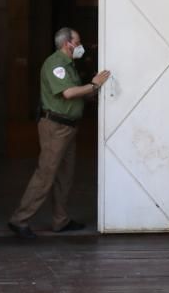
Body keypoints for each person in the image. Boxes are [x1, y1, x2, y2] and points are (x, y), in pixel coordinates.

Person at [8, 27, 111, 238]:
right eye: (78, 42)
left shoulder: (69, 65)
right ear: (68, 44)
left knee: (65, 176)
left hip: (68, 127)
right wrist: (94, 85)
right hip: (55, 128)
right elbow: (68, 92)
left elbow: (75, 94)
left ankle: (60, 220)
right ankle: (19, 220)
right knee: (46, 174)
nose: (81, 47)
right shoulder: (56, 64)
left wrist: (90, 94)